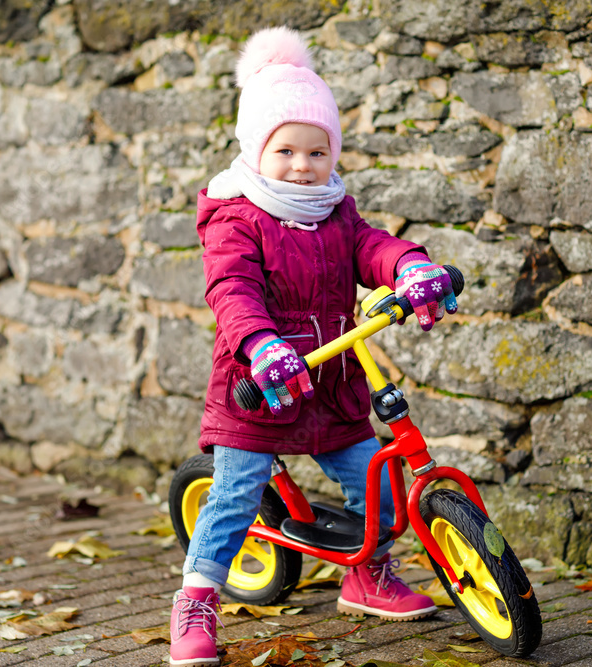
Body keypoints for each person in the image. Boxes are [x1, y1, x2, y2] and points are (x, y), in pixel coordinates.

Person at [169, 26, 458, 667]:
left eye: (317, 152)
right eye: (286, 151)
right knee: (235, 496)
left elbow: (371, 246)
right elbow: (231, 289)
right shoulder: (236, 216)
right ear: (255, 150)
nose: (302, 166)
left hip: (332, 382)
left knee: (376, 486)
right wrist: (261, 342)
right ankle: (196, 601)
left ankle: (367, 574)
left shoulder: (336, 211)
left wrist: (408, 267)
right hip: (261, 385)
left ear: (333, 154)